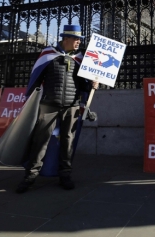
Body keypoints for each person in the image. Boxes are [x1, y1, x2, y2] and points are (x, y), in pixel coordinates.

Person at [17, 24, 98, 194]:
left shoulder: (81, 59)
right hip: (48, 105)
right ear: (66, 39)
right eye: (76, 39)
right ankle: (30, 175)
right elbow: (36, 80)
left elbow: (83, 86)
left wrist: (92, 84)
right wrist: (30, 103)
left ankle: (65, 175)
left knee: (68, 141)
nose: (79, 42)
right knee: (41, 141)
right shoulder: (48, 54)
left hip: (72, 106)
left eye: (80, 40)